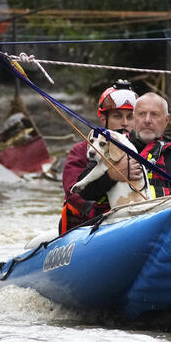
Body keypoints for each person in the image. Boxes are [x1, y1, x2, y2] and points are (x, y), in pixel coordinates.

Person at [75, 91, 171, 206]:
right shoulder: (112, 147)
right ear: (134, 118)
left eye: (154, 114)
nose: (147, 120)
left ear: (166, 120)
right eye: (141, 114)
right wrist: (113, 175)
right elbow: (84, 192)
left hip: (169, 227)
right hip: (121, 225)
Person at [60, 80, 142, 233]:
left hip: (135, 219)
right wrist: (113, 175)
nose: (124, 123)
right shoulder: (81, 151)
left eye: (130, 117)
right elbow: (73, 190)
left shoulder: (143, 149)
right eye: (118, 116)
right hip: (91, 225)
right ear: (104, 119)